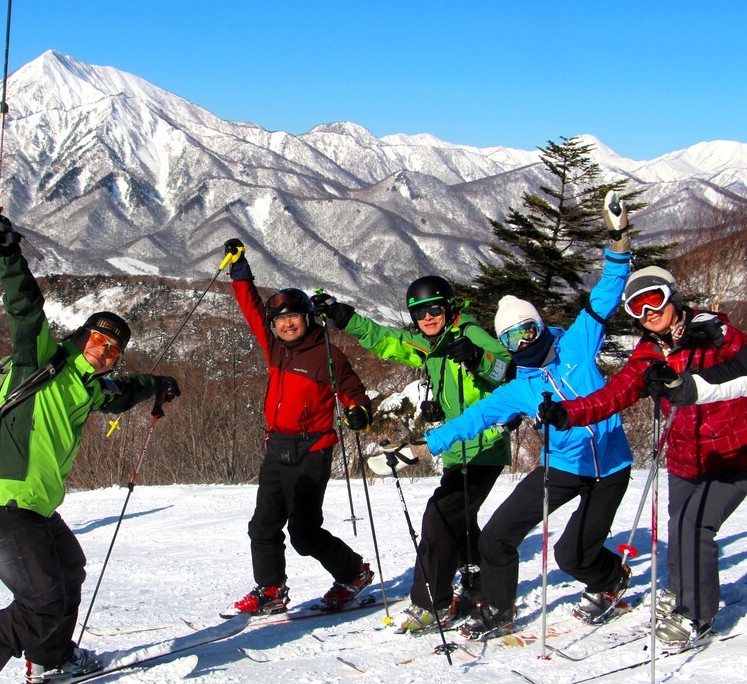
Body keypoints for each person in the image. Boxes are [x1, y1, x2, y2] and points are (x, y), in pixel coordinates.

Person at [0, 211, 181, 684]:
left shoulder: (89, 387)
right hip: (4, 501)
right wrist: (6, 253)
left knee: (69, 572)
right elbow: (24, 307)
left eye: (113, 350)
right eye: (99, 340)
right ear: (84, 336)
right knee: (40, 602)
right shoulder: (40, 362)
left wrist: (158, 384)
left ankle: (51, 659)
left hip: (36, 508)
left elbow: (123, 393)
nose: (104, 351)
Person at [418, 192, 634, 640]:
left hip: (612, 463)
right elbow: (473, 419)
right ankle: (498, 607)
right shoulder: (520, 387)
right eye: (512, 339)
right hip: (565, 466)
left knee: (572, 555)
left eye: (528, 330)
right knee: (496, 536)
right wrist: (424, 444)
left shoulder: (577, 343)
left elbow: (605, 295)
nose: (523, 342)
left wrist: (617, 240)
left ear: (539, 324)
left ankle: (611, 581)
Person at [539, 266, 747, 648]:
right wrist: (570, 413)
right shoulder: (650, 353)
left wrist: (723, 333)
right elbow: (615, 394)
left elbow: (743, 355)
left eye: (654, 299)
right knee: (678, 521)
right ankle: (682, 590)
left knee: (695, 523)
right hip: (686, 456)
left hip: (734, 454)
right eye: (637, 306)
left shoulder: (710, 333)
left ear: (672, 297)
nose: (648, 311)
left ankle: (696, 614)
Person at [312, 276, 512, 633]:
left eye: (435, 309)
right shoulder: (429, 346)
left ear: (449, 308)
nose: (428, 317)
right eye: (420, 312)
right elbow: (386, 342)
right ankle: (479, 583)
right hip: (456, 449)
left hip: (485, 445)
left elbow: (505, 367)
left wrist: (479, 357)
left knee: (440, 516)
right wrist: (343, 317)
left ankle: (431, 602)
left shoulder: (469, 333)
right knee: (460, 519)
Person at [221, 238, 375, 616]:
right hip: (277, 446)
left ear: (307, 318)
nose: (286, 324)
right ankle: (270, 589)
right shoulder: (275, 349)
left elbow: (353, 389)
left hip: (312, 449)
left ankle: (353, 574)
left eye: (294, 317)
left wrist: (358, 410)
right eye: (280, 320)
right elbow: (252, 310)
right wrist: (239, 270)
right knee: (262, 526)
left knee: (304, 534)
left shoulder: (325, 354)